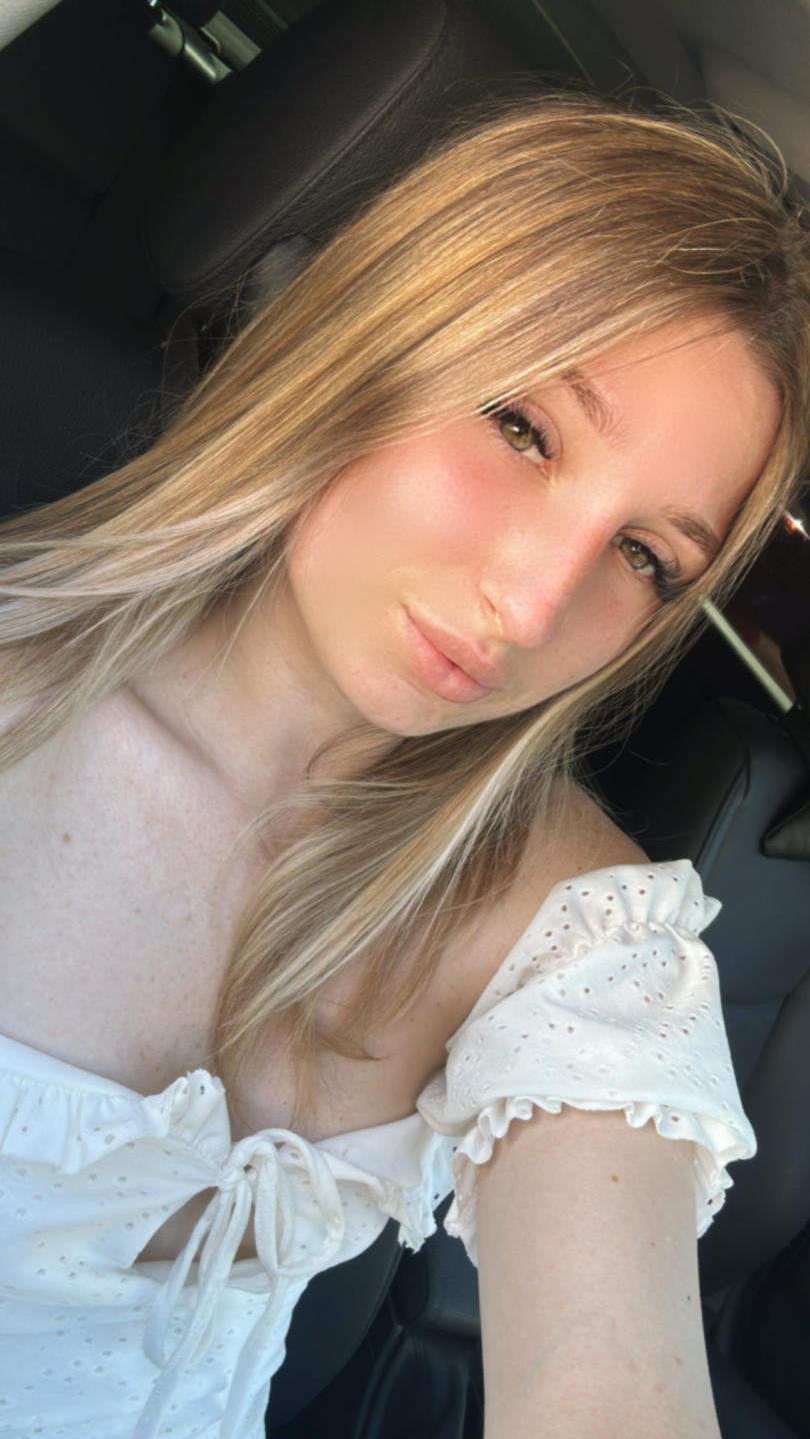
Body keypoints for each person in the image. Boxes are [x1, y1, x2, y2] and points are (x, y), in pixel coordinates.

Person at [0, 94, 809, 1439]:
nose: (533, 603)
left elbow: (608, 1379)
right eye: (522, 428)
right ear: (373, 332)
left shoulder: (581, 934)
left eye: (642, 556)